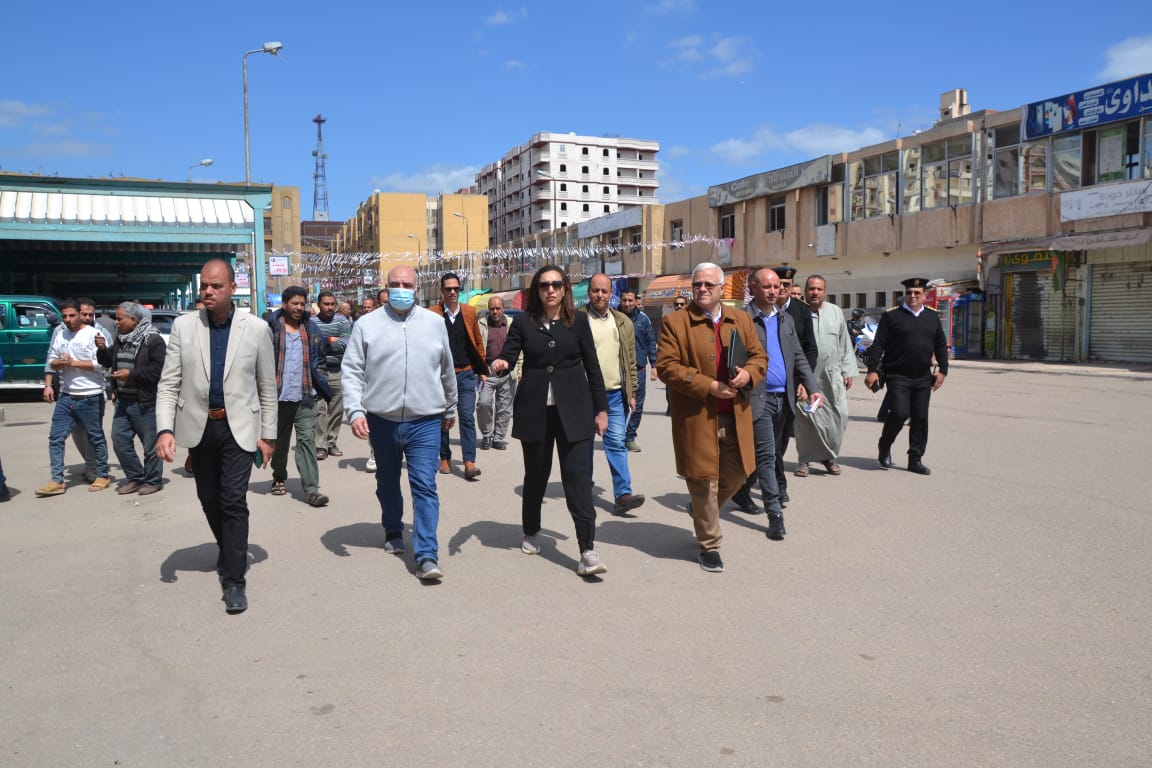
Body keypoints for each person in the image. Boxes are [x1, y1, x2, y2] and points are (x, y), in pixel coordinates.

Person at [155, 259, 278, 614]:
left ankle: (235, 580)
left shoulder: (256, 329)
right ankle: (229, 549)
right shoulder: (184, 327)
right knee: (209, 499)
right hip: (200, 427)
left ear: (232, 288)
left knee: (233, 500)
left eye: (216, 286)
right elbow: (169, 383)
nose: (208, 291)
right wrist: (165, 429)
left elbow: (267, 387)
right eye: (204, 286)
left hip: (239, 428)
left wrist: (268, 435)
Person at [490, 265, 610, 577]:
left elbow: (593, 367)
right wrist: (501, 362)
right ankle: (531, 530)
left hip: (575, 412)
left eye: (556, 284)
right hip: (536, 412)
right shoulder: (523, 322)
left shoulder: (578, 321)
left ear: (565, 288)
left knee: (578, 481)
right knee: (536, 477)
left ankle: (587, 550)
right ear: (537, 291)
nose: (551, 290)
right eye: (544, 285)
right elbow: (509, 354)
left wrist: (601, 409)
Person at [342, 265, 457, 581]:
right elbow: (351, 370)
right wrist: (356, 411)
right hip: (383, 420)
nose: (401, 289)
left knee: (425, 485)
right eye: (395, 284)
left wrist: (450, 407)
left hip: (425, 420)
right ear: (386, 286)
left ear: (417, 288)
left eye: (407, 284)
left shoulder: (434, 323)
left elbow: (446, 368)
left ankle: (426, 555)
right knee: (388, 481)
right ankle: (393, 528)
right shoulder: (367, 325)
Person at [656, 262, 767, 572]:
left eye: (708, 284)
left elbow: (759, 357)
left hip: (735, 414)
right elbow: (666, 367)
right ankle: (710, 545)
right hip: (697, 416)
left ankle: (702, 512)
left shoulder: (741, 319)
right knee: (704, 481)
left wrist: (748, 374)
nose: (702, 289)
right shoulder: (675, 322)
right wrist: (709, 386)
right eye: (697, 284)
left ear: (721, 289)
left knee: (739, 474)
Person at [729, 268, 822, 540]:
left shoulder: (786, 319)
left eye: (777, 286)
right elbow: (732, 359)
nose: (774, 291)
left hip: (785, 398)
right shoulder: (742, 319)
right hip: (758, 398)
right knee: (767, 456)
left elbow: (799, 356)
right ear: (753, 288)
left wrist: (813, 388)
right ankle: (775, 515)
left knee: (769, 453)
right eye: (767, 286)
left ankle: (741, 491)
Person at [865, 277, 949, 475]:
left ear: (924, 295)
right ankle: (885, 444)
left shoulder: (932, 317)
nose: (912, 296)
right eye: (909, 292)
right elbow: (878, 345)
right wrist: (872, 370)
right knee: (900, 413)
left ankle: (915, 459)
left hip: (922, 376)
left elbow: (940, 346)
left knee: (920, 417)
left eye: (917, 293)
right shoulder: (892, 316)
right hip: (897, 375)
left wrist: (943, 371)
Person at [583, 274, 645, 516]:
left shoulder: (622, 322)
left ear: (611, 294)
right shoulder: (577, 320)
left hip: (615, 394)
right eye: (595, 290)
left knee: (617, 443)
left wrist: (632, 392)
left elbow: (630, 360)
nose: (599, 295)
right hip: (584, 394)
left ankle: (623, 495)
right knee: (584, 445)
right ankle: (583, 488)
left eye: (604, 291)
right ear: (589, 292)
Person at [37, 298, 111, 496]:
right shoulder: (60, 334)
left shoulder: (94, 334)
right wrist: (58, 365)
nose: (68, 319)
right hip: (66, 395)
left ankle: (102, 475)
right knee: (56, 437)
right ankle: (57, 480)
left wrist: (73, 363)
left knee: (95, 437)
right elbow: (51, 360)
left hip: (91, 395)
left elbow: (101, 365)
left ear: (80, 314)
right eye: (65, 316)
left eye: (72, 315)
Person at [266, 286, 332, 507]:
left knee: (306, 442)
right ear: (285, 304)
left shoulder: (311, 328)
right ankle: (279, 477)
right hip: (279, 397)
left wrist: (319, 382)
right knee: (280, 444)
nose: (299, 307)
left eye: (302, 304)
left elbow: (320, 359)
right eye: (294, 303)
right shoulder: (272, 328)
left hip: (305, 397)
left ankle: (311, 490)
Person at [95, 301, 167, 495]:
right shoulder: (121, 339)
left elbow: (158, 371)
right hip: (122, 402)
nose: (116, 322)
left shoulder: (153, 341)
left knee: (150, 446)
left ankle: (153, 481)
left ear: (134, 320)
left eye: (120, 319)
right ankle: (136, 477)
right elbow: (107, 361)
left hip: (145, 403)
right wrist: (101, 349)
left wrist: (131, 374)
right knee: (119, 440)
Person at [793, 275, 856, 478]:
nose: (815, 292)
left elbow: (844, 343)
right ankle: (804, 460)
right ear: (805, 291)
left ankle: (828, 456)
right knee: (806, 419)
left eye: (819, 289)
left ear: (825, 292)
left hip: (832, 375)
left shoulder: (835, 312)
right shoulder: (798, 312)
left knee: (839, 416)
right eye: (811, 289)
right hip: (806, 375)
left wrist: (847, 370)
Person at [430, 273, 488, 481]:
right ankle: (444, 457)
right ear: (442, 291)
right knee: (443, 418)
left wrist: (482, 369)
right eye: (449, 289)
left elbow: (478, 342)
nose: (453, 292)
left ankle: (469, 461)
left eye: (456, 288)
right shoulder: (433, 314)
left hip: (466, 373)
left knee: (466, 416)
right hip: (442, 376)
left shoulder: (469, 312)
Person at [769, 266, 819, 502]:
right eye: (777, 285)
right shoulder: (760, 310)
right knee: (767, 438)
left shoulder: (801, 311)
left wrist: (804, 384)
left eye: (786, 285)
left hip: (792, 385)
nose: (781, 289)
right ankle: (776, 483)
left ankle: (771, 476)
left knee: (781, 437)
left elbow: (809, 350)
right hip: (766, 386)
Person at [313, 290, 352, 461]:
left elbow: (347, 343)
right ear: (319, 305)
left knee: (336, 409)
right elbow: (312, 346)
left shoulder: (342, 321)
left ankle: (331, 442)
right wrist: (332, 340)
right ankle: (320, 445)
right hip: (318, 372)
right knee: (319, 409)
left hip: (338, 370)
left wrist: (325, 342)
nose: (329, 307)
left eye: (332, 304)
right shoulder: (311, 322)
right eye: (326, 304)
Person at [477, 294, 517, 451]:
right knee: (484, 403)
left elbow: (519, 348)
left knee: (504, 407)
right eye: (492, 308)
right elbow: (477, 347)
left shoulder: (512, 324)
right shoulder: (481, 324)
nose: (495, 311)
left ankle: (498, 437)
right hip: (487, 372)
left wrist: (519, 369)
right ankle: (487, 435)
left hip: (508, 372)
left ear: (503, 309)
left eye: (498, 308)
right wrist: (479, 370)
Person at [619, 288, 657, 453]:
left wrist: (654, 365)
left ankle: (629, 437)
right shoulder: (613, 317)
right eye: (624, 300)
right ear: (620, 300)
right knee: (618, 404)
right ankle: (617, 436)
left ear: (636, 301)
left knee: (637, 406)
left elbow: (651, 342)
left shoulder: (643, 320)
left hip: (639, 369)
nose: (627, 303)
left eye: (630, 300)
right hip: (618, 369)